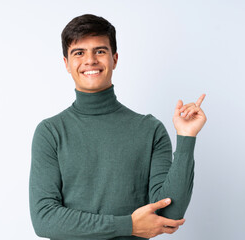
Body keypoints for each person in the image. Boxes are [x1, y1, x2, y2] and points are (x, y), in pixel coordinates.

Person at [29, 14, 207, 240]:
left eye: (100, 51)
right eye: (79, 53)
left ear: (115, 58)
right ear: (66, 63)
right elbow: (44, 220)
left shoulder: (150, 130)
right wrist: (127, 225)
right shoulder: (50, 132)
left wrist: (186, 137)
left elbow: (168, 214)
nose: (90, 60)